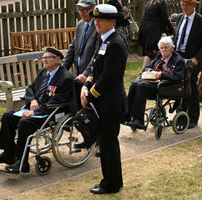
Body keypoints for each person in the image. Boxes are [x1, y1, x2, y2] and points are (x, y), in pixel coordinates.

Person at [0, 47, 75, 173]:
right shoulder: (42, 72)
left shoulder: (65, 78)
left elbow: (57, 101)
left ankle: (22, 162)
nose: (44, 60)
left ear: (57, 60)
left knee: (25, 123)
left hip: (50, 113)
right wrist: (33, 100)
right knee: (8, 116)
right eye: (43, 58)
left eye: (47, 57)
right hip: (35, 108)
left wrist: (35, 111)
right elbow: (30, 89)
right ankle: (8, 154)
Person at [80, 4, 127, 194]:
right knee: (106, 144)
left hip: (110, 104)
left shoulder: (115, 43)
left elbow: (108, 77)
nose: (96, 23)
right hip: (102, 103)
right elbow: (94, 68)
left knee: (109, 145)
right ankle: (110, 180)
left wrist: (90, 96)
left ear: (112, 22)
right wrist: (85, 86)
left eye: (101, 20)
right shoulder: (103, 41)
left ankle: (111, 184)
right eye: (96, 20)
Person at [124, 36, 185, 129]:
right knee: (134, 84)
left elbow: (178, 77)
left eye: (166, 48)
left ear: (172, 48)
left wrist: (162, 74)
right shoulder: (159, 55)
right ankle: (127, 115)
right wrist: (150, 71)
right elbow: (146, 68)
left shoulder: (178, 60)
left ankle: (139, 120)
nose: (163, 50)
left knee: (141, 86)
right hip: (153, 83)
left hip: (165, 87)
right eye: (161, 48)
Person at [173, 0, 202, 129]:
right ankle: (181, 114)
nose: (184, 8)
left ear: (194, 5)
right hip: (179, 57)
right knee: (179, 85)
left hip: (193, 59)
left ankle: (193, 117)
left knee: (191, 86)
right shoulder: (179, 18)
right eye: (182, 5)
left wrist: (196, 58)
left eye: (187, 5)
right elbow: (176, 37)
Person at [62, 0, 100, 108]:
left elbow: (96, 54)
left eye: (86, 10)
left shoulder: (98, 26)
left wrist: (86, 73)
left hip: (90, 76)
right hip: (77, 72)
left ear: (94, 8)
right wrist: (61, 70)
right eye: (80, 10)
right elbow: (73, 47)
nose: (82, 13)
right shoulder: (80, 24)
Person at [138, 0, 174, 68]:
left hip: (144, 30)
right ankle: (143, 73)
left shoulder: (150, 2)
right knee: (150, 54)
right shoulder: (161, 3)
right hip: (152, 32)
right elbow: (165, 18)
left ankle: (146, 72)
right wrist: (172, 30)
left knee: (146, 53)